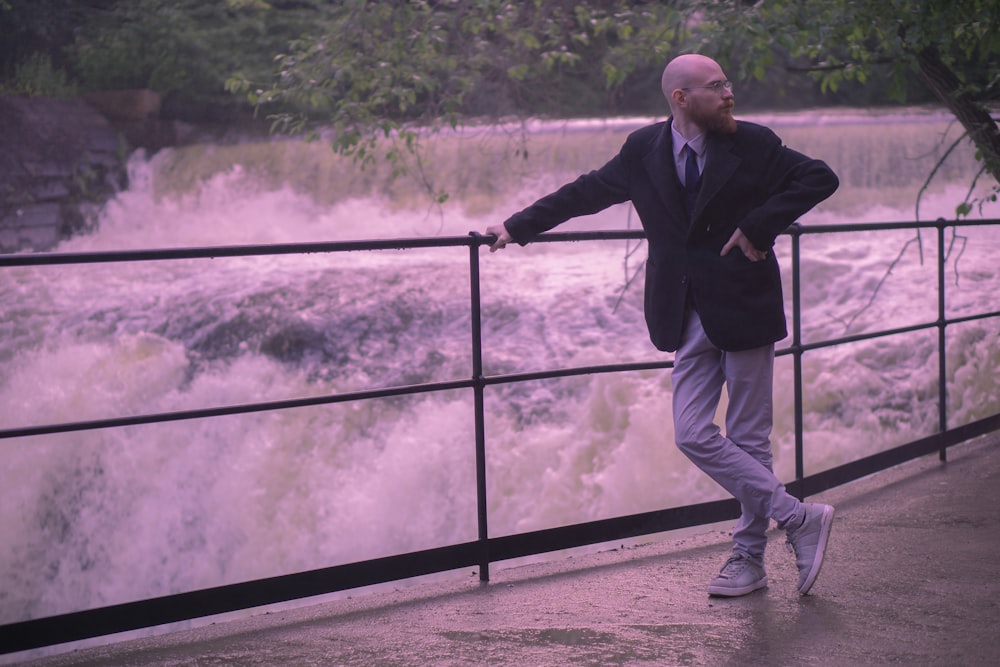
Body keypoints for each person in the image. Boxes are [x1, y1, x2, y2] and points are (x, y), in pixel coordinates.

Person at [485, 53, 840, 597]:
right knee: (692, 433)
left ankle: (748, 559)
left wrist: (758, 225)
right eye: (716, 85)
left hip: (744, 307)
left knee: (748, 439)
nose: (729, 93)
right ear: (681, 98)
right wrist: (517, 226)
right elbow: (586, 192)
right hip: (682, 311)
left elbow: (820, 177)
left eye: (728, 81)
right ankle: (797, 518)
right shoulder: (643, 149)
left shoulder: (754, 143)